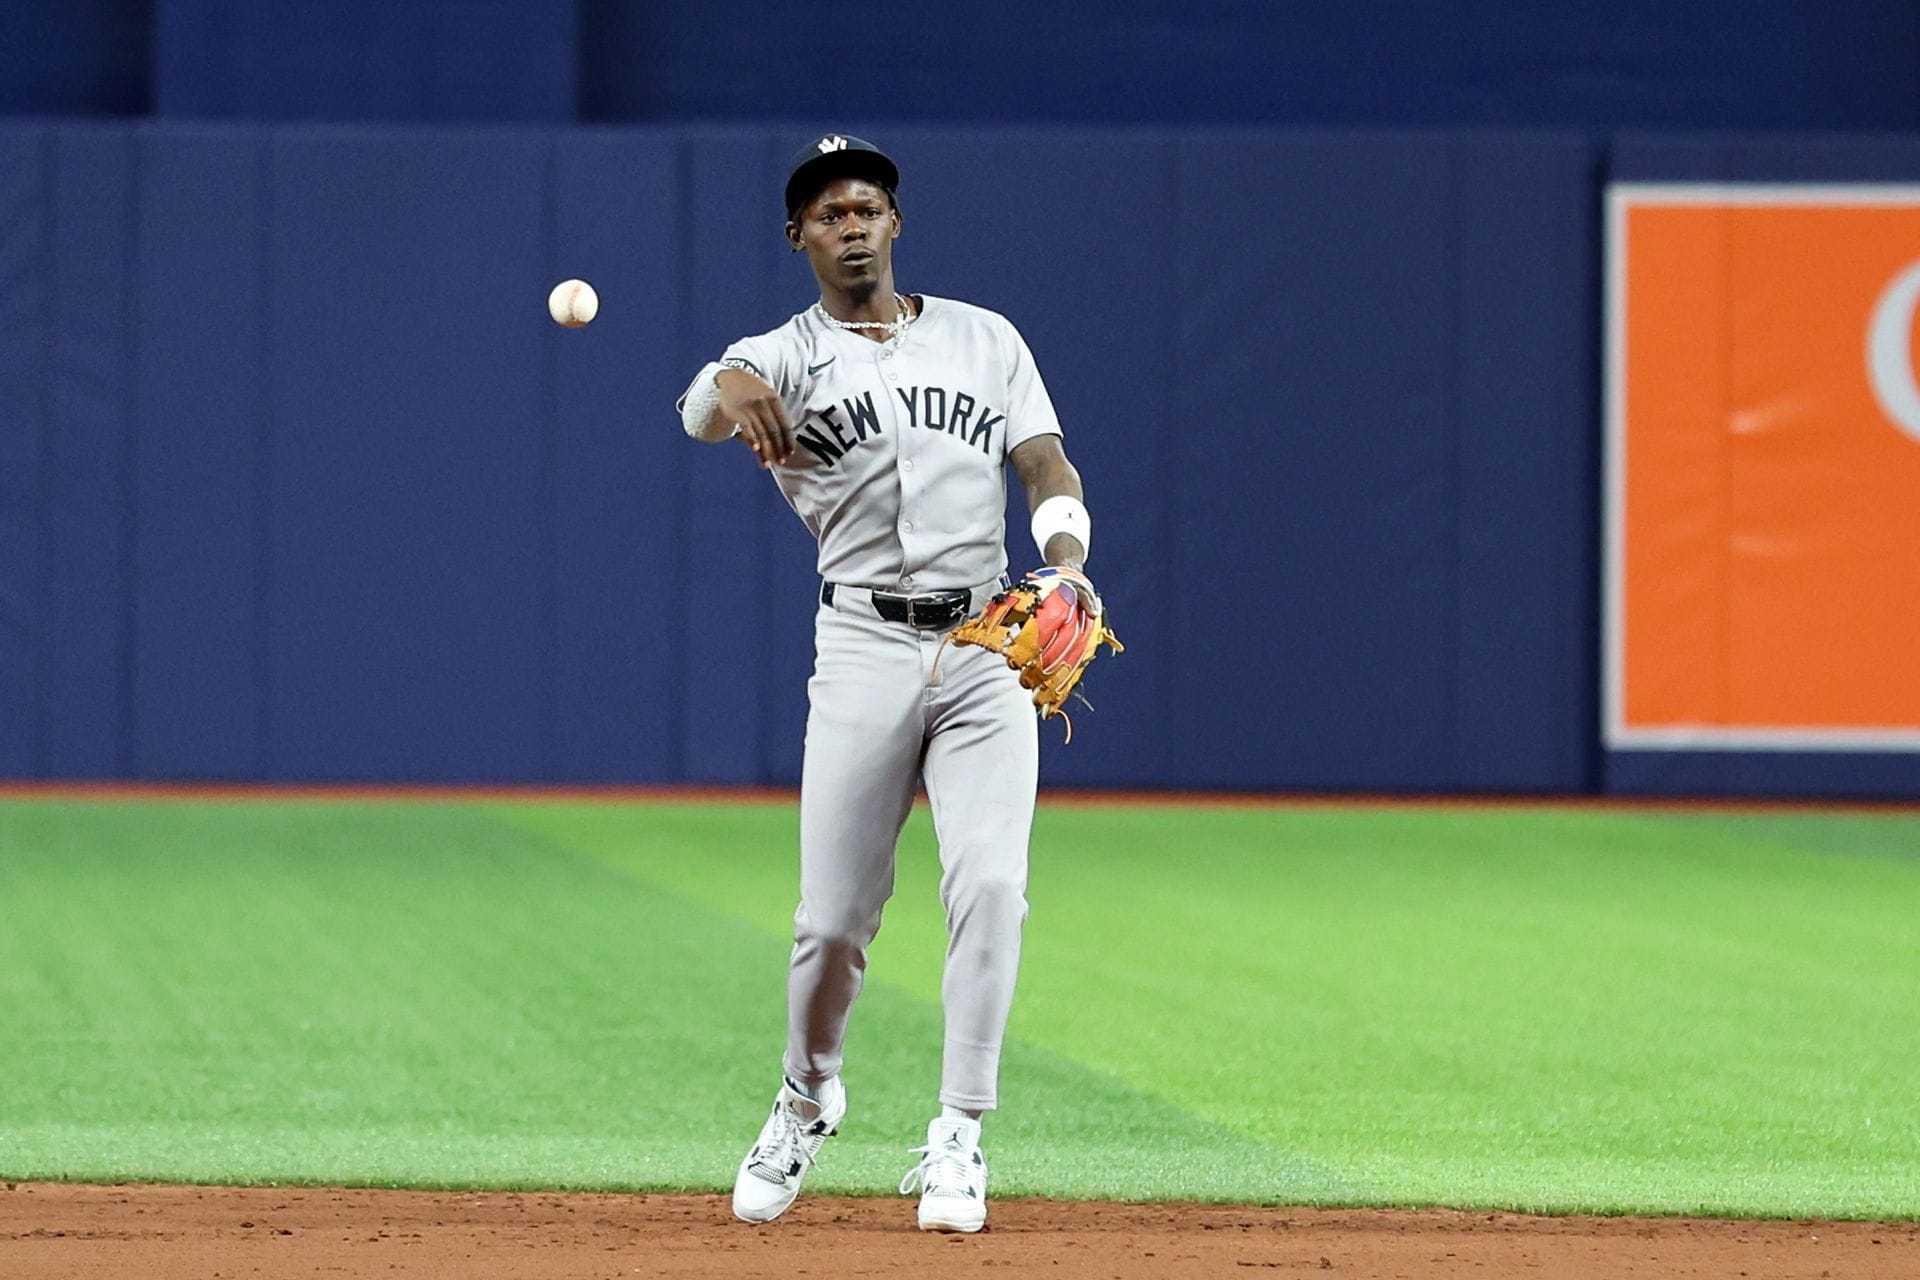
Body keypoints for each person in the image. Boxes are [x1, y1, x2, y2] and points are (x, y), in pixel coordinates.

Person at [676, 134, 1098, 1234]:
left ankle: (959, 1133)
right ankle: (805, 1095)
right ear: (799, 238)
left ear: (895, 223)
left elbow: (1044, 459)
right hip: (861, 645)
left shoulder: (985, 338)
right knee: (832, 922)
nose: (850, 221)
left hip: (985, 646)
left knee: (992, 886)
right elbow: (702, 408)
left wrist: (1064, 558)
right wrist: (732, 379)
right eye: (827, 212)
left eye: (866, 205)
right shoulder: (783, 353)